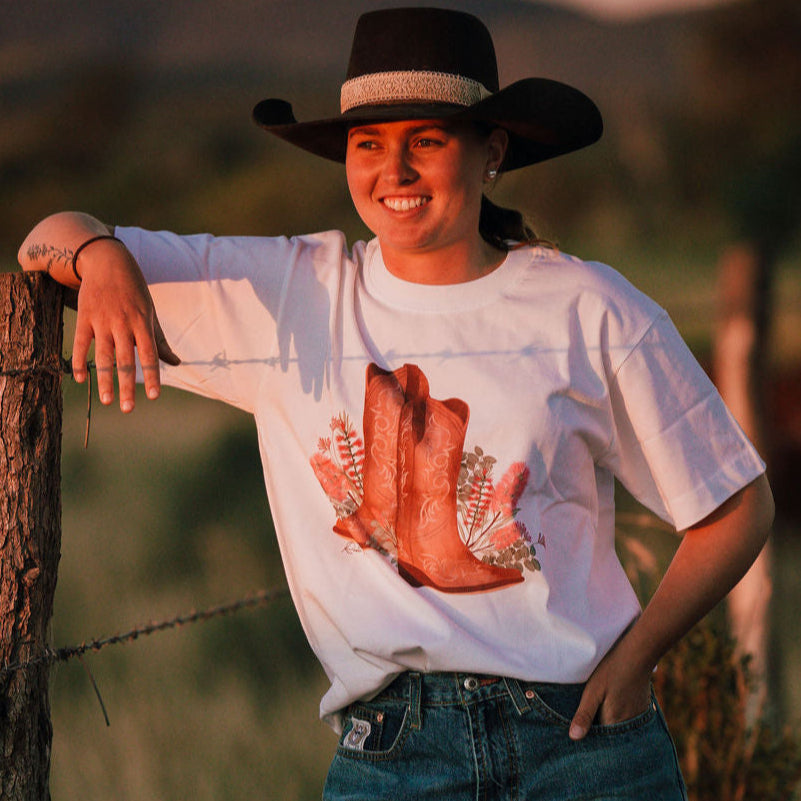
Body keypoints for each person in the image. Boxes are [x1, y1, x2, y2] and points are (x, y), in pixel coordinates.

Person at [19, 7, 772, 800]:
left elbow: (734, 506)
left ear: (492, 152)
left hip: (584, 743)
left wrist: (635, 660)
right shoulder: (289, 293)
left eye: (428, 140)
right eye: (368, 143)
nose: (394, 171)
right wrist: (100, 256)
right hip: (396, 755)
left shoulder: (589, 309)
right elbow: (48, 238)